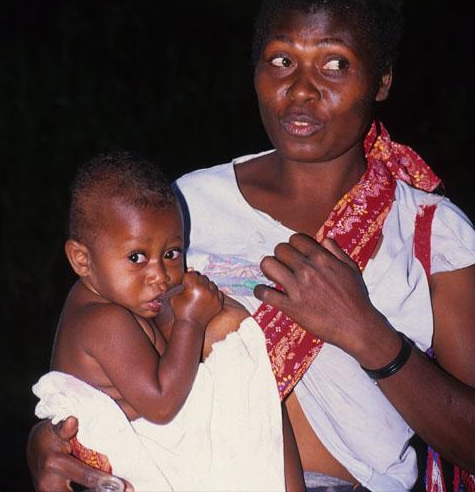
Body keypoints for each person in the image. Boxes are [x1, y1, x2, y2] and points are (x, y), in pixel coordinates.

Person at [27, 0, 475, 492]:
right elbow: (95, 343)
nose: (301, 89)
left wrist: (366, 334)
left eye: (335, 63)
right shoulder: (184, 206)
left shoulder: (430, 231)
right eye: (281, 60)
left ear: (381, 80)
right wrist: (48, 439)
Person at [31, 152, 302, 492]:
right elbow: (161, 405)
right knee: (243, 365)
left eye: (172, 253)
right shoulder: (105, 320)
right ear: (81, 259)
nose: (159, 274)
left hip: (146, 429)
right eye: (136, 257)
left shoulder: (115, 300)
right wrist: (191, 321)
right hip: (138, 452)